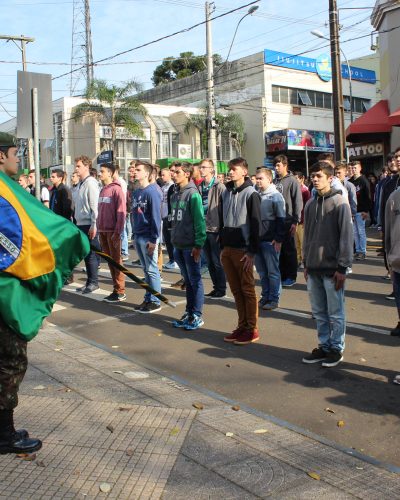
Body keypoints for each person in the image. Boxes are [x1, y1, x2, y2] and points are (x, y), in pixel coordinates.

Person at [0, 132, 42, 454]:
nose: (18, 159)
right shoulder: (4, 193)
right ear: (1, 156)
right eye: (15, 153)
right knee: (10, 361)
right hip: (3, 295)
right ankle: (5, 435)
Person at [302, 162, 353, 367]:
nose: (315, 179)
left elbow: (346, 238)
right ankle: (323, 346)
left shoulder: (340, 202)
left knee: (336, 313)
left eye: (319, 176)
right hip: (313, 268)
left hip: (332, 269)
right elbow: (307, 237)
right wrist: (305, 263)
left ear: (330, 178)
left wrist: (342, 267)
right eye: (313, 176)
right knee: (319, 312)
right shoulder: (310, 205)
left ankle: (336, 349)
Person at [220, 157, 261, 345]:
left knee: (248, 290)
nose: (230, 172)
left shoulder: (251, 193)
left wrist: (251, 251)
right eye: (229, 169)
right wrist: (222, 246)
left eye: (234, 169)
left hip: (243, 250)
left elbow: (256, 225)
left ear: (244, 171)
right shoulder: (226, 192)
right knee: (236, 290)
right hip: (227, 249)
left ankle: (251, 329)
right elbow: (222, 220)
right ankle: (242, 325)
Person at [170, 162, 206, 330]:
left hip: (190, 246)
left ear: (186, 174)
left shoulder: (193, 194)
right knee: (188, 282)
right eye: (173, 171)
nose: (174, 174)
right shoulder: (175, 194)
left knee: (195, 280)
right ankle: (189, 312)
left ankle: (197, 315)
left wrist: (198, 244)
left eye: (177, 172)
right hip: (178, 245)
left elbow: (199, 222)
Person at [131, 161, 162, 313]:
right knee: (145, 270)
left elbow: (156, 217)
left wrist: (154, 239)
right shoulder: (137, 192)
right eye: (134, 170)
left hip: (148, 237)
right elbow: (134, 215)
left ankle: (156, 300)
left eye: (138, 170)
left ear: (147, 173)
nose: (134, 172)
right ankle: (148, 297)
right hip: (138, 235)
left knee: (151, 269)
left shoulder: (153, 191)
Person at [255, 168, 285, 310]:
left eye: (261, 178)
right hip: (258, 240)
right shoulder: (257, 195)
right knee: (262, 272)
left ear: (269, 179)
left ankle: (274, 298)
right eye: (257, 178)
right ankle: (265, 296)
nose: (258, 181)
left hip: (270, 241)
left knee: (272, 272)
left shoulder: (276, 196)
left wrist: (278, 239)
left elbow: (281, 219)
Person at [97, 163, 127, 303]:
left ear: (110, 173)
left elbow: (121, 213)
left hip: (112, 232)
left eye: (102, 171)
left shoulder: (116, 190)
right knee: (110, 262)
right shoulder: (103, 190)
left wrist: (117, 231)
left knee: (116, 261)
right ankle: (115, 289)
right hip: (103, 231)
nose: (100, 173)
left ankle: (120, 291)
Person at [273, 155, 302, 287]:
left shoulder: (292, 181)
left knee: (289, 250)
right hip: (276, 221)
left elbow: (298, 202)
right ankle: (282, 275)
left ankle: (291, 276)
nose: (276, 168)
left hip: (288, 220)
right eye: (275, 165)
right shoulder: (274, 181)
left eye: (279, 165)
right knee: (279, 250)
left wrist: (295, 221)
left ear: (285, 165)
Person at [199, 158, 227, 299]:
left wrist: (222, 230)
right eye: (200, 167)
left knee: (217, 261)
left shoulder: (219, 187)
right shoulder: (199, 187)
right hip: (203, 229)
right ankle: (216, 287)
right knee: (209, 261)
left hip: (215, 229)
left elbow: (224, 211)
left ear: (211, 169)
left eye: (204, 167)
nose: (201, 169)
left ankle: (221, 288)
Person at [74, 155, 100, 294]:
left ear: (86, 166)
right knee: (86, 254)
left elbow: (94, 206)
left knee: (91, 254)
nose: (76, 168)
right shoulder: (80, 183)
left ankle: (94, 282)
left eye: (78, 166)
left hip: (88, 224)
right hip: (80, 223)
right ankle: (89, 281)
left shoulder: (91, 183)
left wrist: (94, 225)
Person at [348, 160, 372, 260]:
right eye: (352, 168)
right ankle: (358, 250)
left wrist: (366, 211)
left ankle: (362, 251)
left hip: (361, 210)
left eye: (355, 168)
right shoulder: (350, 181)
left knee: (361, 231)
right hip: (352, 211)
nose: (354, 170)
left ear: (360, 168)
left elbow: (368, 196)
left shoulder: (364, 180)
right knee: (355, 232)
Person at [160, 167, 178, 270]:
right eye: (161, 175)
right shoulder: (163, 187)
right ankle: (171, 259)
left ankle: (174, 260)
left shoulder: (172, 186)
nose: (162, 177)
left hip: (169, 217)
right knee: (167, 240)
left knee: (171, 240)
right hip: (164, 217)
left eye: (164, 175)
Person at [294, 171, 311, 268]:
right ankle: (298, 259)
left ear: (301, 179)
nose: (295, 180)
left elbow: (307, 207)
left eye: (297, 178)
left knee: (302, 242)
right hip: (296, 220)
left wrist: (305, 220)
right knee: (296, 243)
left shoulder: (305, 191)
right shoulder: (295, 189)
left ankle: (304, 260)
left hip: (302, 220)